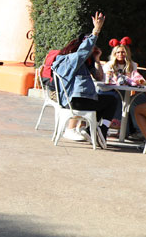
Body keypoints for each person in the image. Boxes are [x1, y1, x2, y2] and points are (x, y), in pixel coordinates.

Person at [50, 12, 120, 148]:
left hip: (74, 100)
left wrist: (97, 59)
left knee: (105, 100)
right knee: (112, 99)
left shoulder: (80, 63)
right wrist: (96, 30)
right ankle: (101, 130)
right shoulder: (71, 60)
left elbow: (99, 77)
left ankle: (92, 130)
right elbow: (83, 51)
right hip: (75, 101)